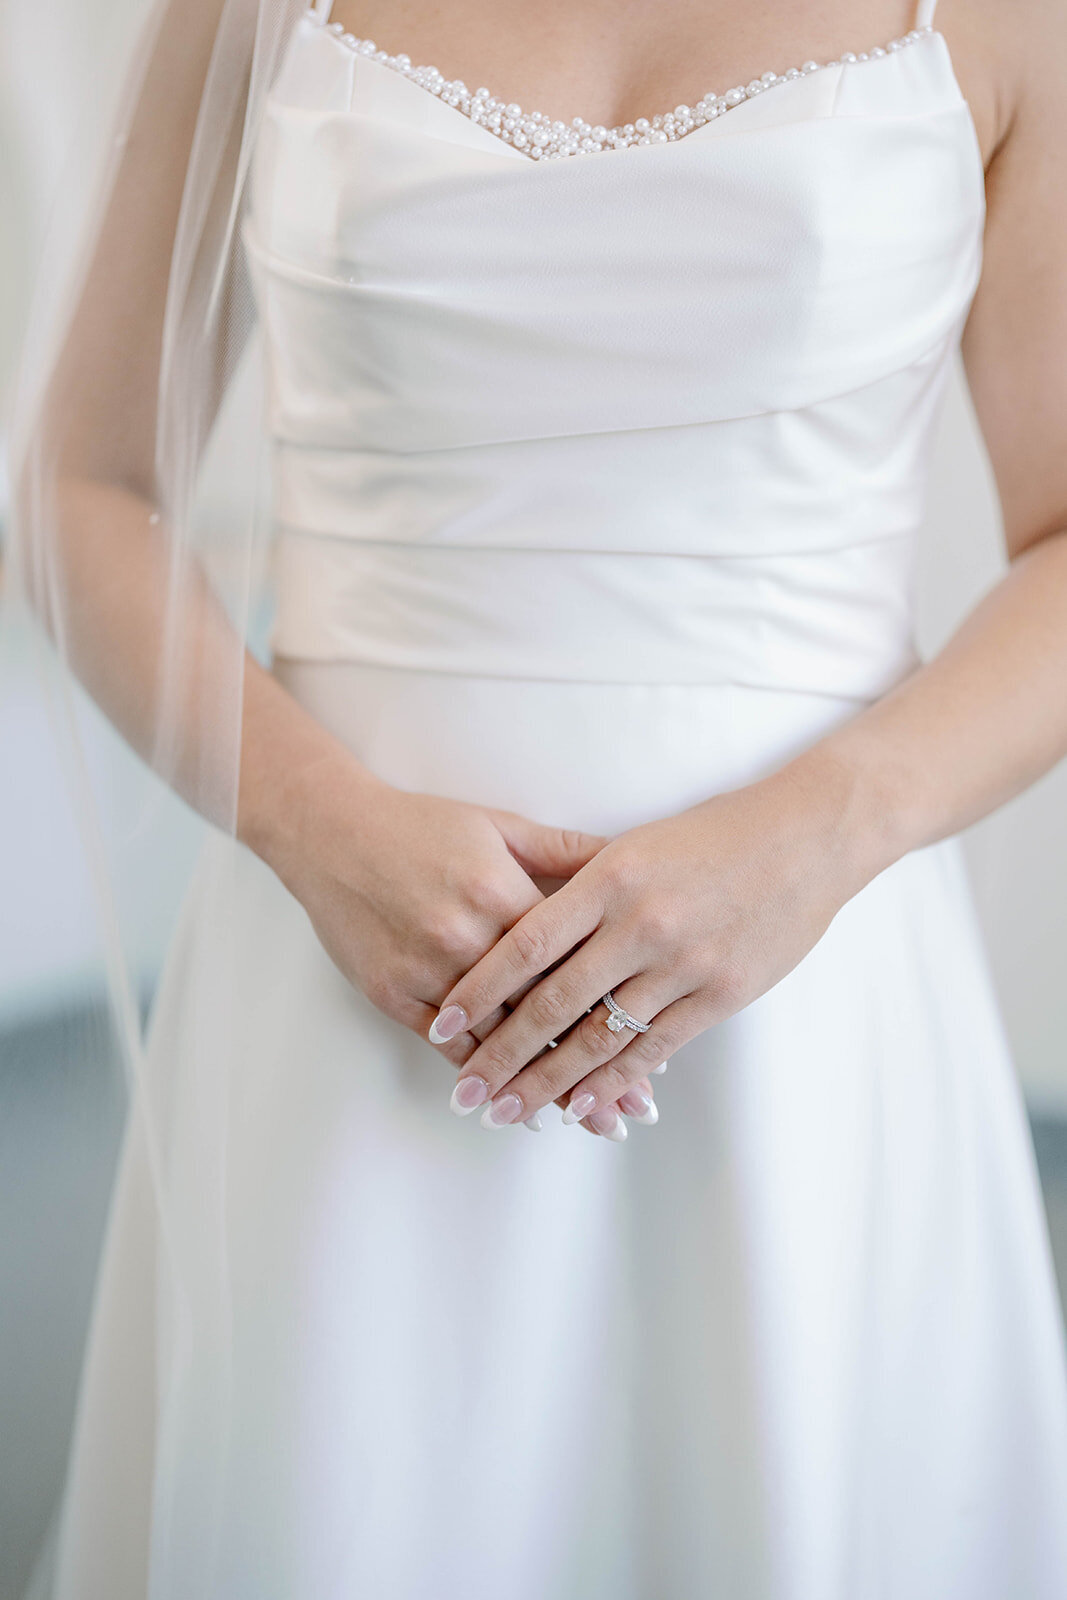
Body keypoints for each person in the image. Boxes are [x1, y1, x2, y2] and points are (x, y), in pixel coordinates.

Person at [10, 0, 1067, 1593]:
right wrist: (312, 824)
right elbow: (85, 486)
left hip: (804, 995)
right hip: (352, 969)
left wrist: (824, 832)